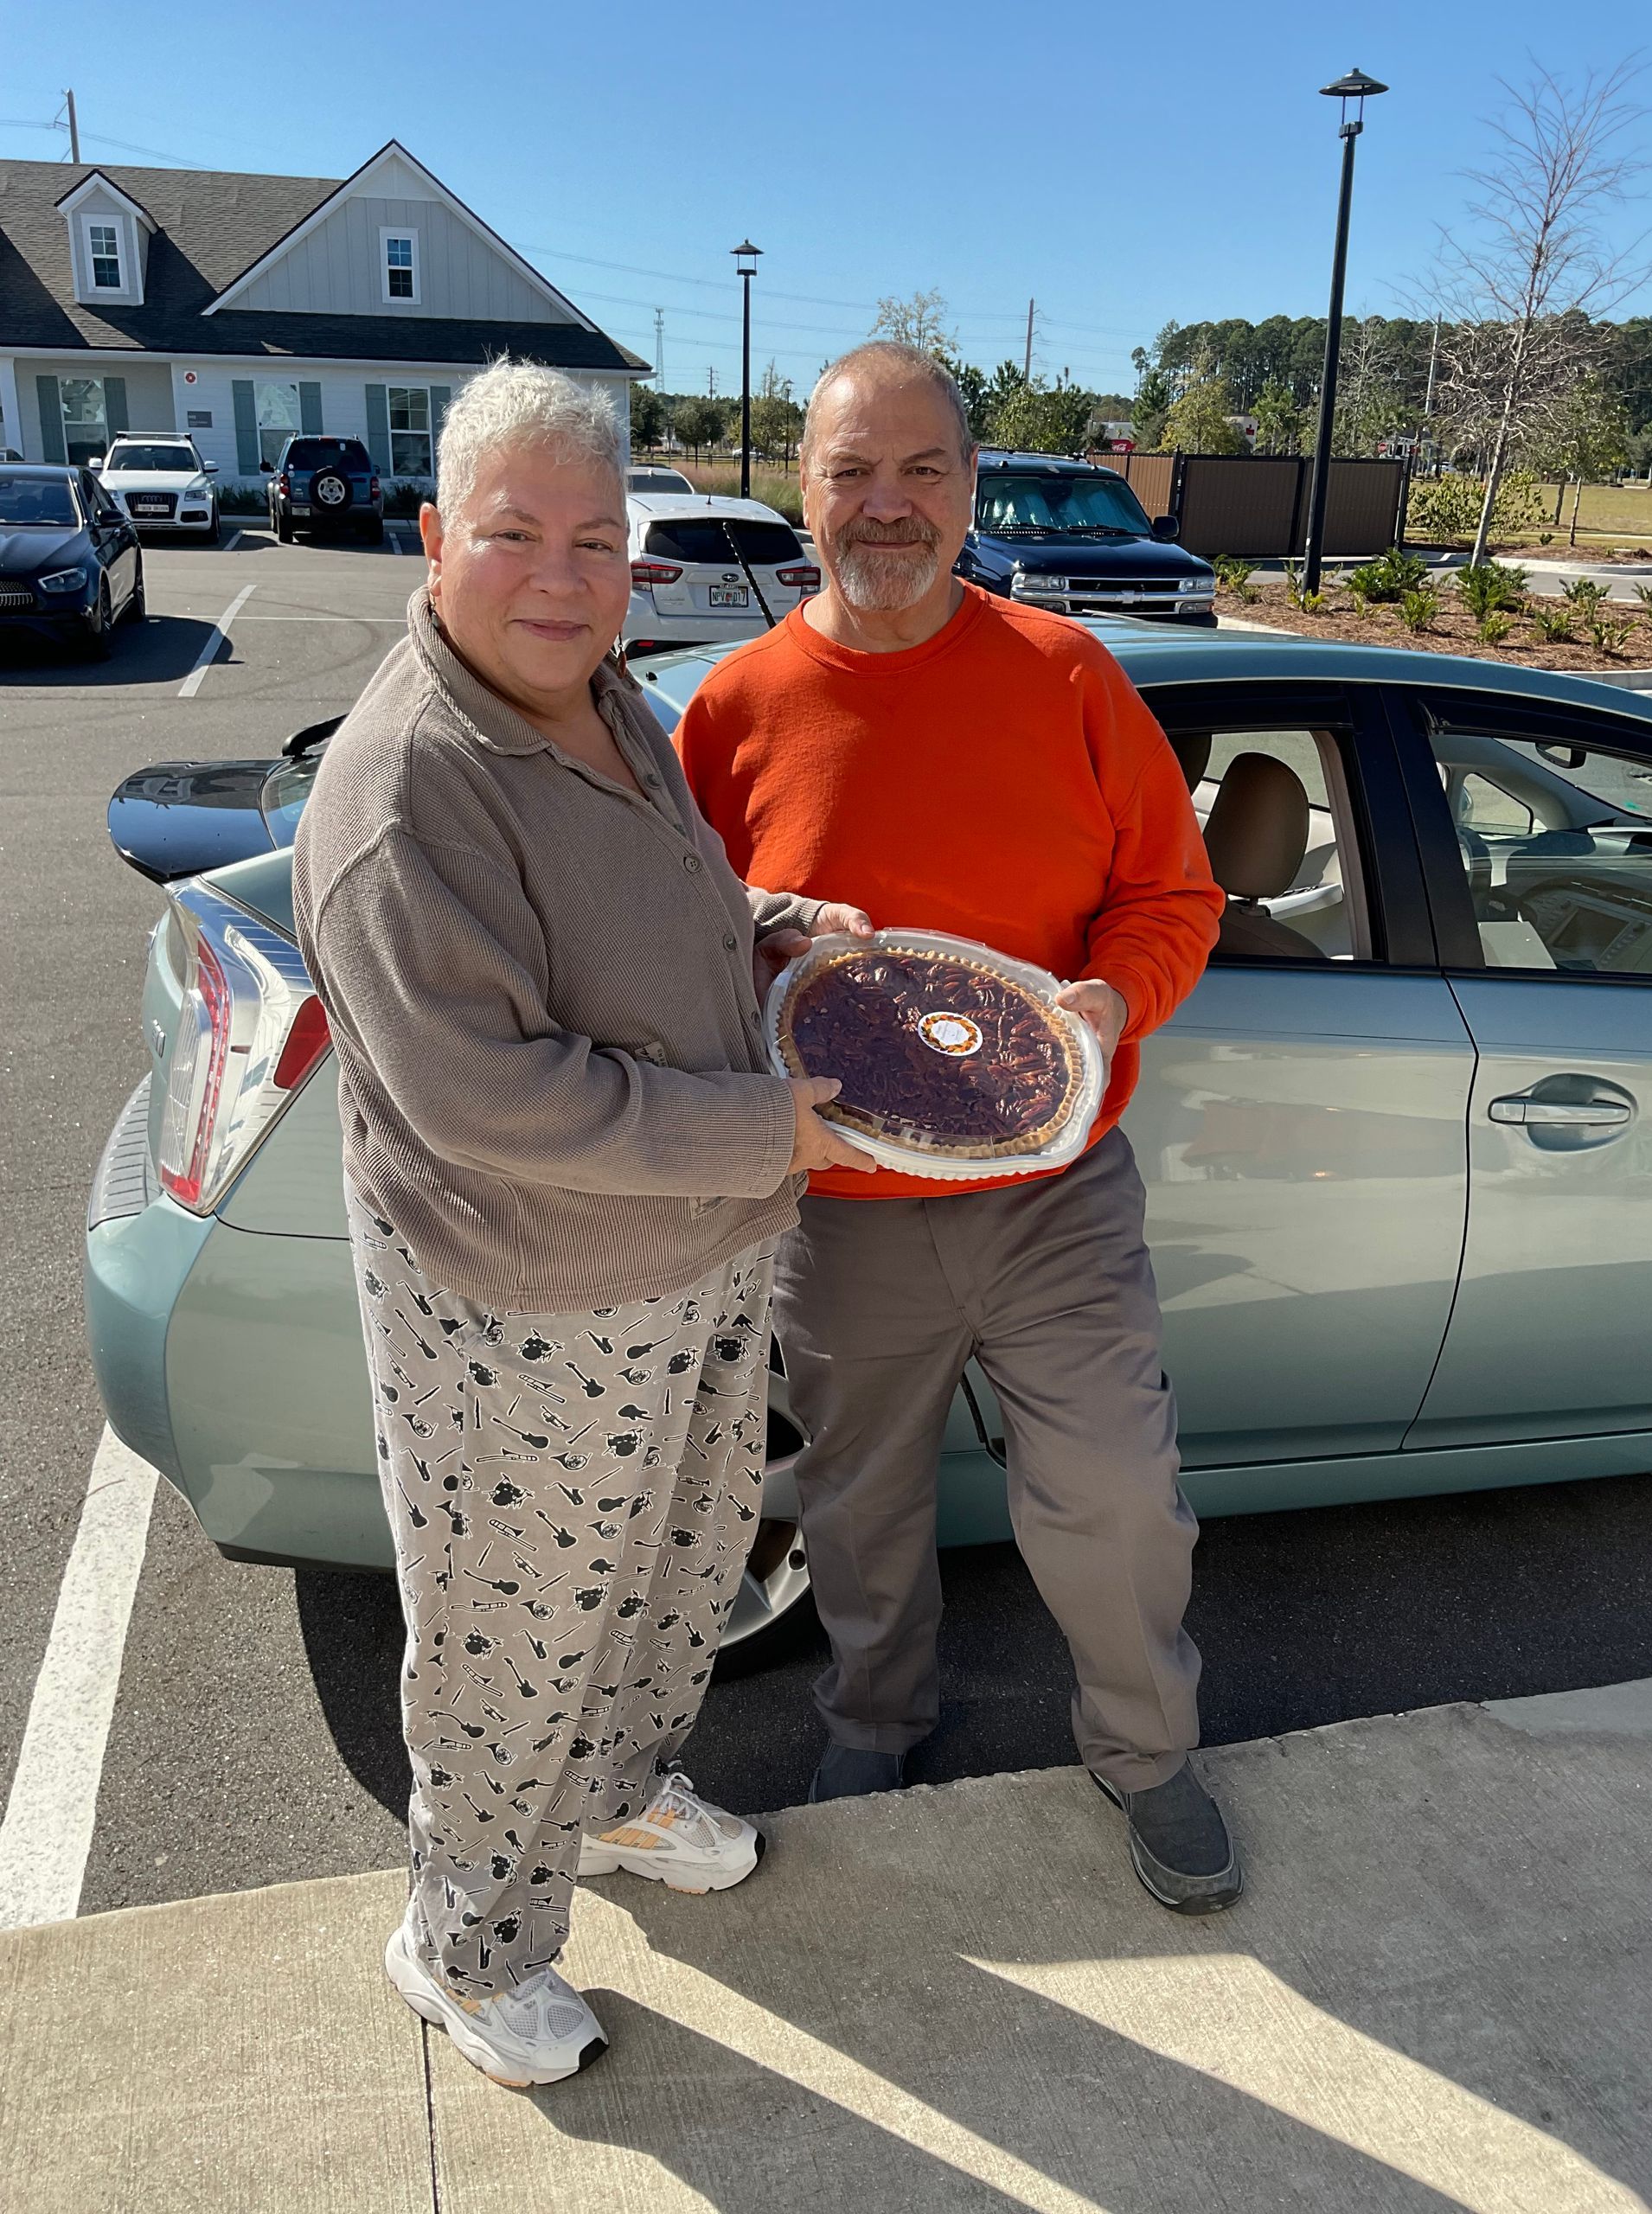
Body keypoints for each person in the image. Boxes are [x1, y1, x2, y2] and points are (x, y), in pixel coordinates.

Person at [291, 362, 874, 2089]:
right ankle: (463, 1940)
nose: (560, 574)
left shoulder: (605, 698)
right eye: (515, 534)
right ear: (434, 538)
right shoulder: (406, 792)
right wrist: (767, 1118)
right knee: (514, 1627)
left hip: (693, 1248)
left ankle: (617, 1797)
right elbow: (493, 1095)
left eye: (596, 538)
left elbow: (652, 889)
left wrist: (766, 919)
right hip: (531, 1296)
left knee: (681, 1568)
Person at [676, 342, 1240, 1915]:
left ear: (971, 489)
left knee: (1118, 1489)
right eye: (854, 471)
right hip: (840, 1205)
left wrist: (1112, 1008)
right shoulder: (731, 713)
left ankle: (1148, 1753)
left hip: (1054, 1193)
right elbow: (667, 941)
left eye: (923, 470)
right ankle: (875, 1728)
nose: (888, 504)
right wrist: (756, 955)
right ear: (804, 491)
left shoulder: (1066, 676)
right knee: (858, 1510)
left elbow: (1170, 898)